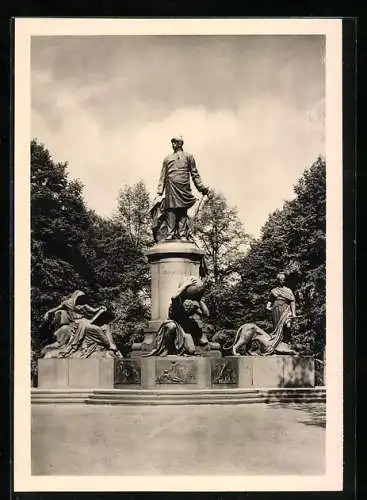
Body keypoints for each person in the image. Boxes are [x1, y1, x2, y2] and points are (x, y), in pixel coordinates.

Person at [153, 135, 209, 240]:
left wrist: (201, 188)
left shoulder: (189, 156)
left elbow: (195, 174)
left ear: (180, 143)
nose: (173, 144)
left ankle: (183, 234)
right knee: (170, 210)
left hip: (184, 187)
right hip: (171, 187)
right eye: (172, 142)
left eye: (175, 142)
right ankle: (171, 233)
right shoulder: (167, 159)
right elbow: (162, 176)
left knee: (183, 209)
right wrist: (159, 192)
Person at [40, 290, 121, 358]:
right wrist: (48, 312)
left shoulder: (84, 305)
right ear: (75, 297)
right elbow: (57, 308)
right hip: (77, 324)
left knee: (105, 326)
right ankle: (107, 344)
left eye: (82, 298)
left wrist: (101, 308)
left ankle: (112, 346)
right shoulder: (67, 303)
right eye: (80, 298)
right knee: (93, 328)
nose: (81, 300)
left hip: (85, 321)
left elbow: (94, 310)